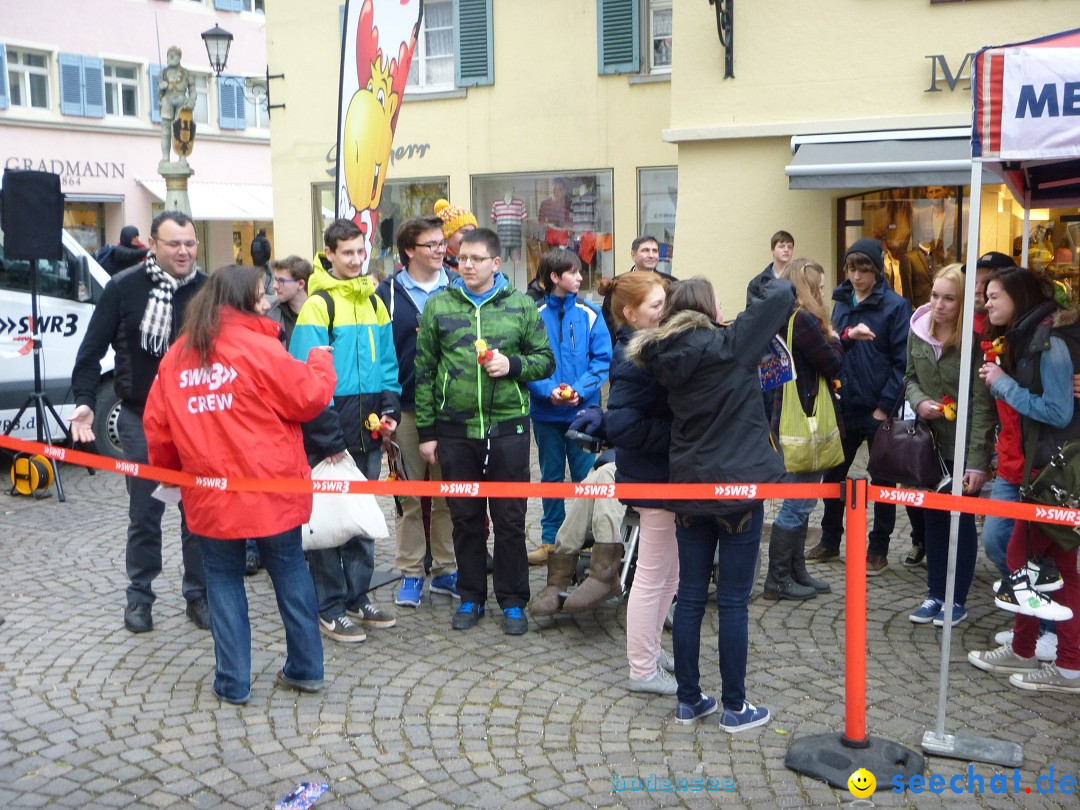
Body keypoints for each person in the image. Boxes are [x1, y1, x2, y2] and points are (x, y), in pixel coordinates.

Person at [143, 264, 335, 704]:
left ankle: (232, 680)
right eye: (261, 295)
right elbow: (308, 397)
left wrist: (172, 477)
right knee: (288, 569)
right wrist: (321, 359)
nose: (267, 301)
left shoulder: (177, 357)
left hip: (209, 490)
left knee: (222, 578)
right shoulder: (259, 349)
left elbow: (158, 426)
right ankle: (306, 668)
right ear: (242, 301)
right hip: (270, 485)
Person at [632, 275, 795, 731]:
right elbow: (781, 294)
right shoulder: (729, 344)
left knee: (688, 600)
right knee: (733, 603)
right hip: (737, 489)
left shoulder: (664, 353)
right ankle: (735, 707)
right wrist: (759, 283)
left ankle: (689, 701)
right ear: (708, 307)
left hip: (688, 485)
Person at [69, 211, 209, 634]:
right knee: (145, 513)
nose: (183, 251)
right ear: (152, 244)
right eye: (174, 244)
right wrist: (85, 402)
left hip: (197, 422)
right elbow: (90, 352)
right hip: (141, 419)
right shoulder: (123, 288)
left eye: (189, 243)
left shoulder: (208, 291)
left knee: (197, 514)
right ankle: (140, 596)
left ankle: (198, 595)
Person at [414, 228, 554, 636]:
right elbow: (423, 373)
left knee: (510, 520)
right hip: (455, 432)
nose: (467, 265)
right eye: (462, 258)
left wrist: (512, 366)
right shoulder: (439, 305)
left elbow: (544, 361)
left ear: (496, 263)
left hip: (508, 428)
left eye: (476, 259)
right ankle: (471, 595)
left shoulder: (522, 306)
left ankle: (513, 601)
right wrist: (427, 432)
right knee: (465, 519)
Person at [968, 267, 1080, 692]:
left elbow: (1056, 412)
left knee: (1024, 558)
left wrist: (1003, 385)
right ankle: (1030, 647)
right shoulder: (1031, 334)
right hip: (1043, 467)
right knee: (1046, 563)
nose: (987, 302)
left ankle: (1062, 661)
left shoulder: (1048, 340)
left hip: (1055, 471)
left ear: (1018, 296)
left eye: (994, 295)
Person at [289, 218, 401, 644]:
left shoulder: (375, 303)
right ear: (329, 254)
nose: (356, 260)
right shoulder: (319, 306)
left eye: (361, 252)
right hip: (330, 433)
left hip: (369, 431)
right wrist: (328, 439)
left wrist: (390, 410)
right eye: (347, 253)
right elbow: (305, 380)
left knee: (360, 518)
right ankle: (329, 606)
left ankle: (358, 596)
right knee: (327, 522)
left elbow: (388, 363)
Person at [806, 238, 911, 574]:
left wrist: (884, 407)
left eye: (863, 269)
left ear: (876, 271)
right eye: (851, 268)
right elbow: (833, 342)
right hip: (844, 403)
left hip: (879, 408)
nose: (855, 276)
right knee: (833, 475)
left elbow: (902, 362)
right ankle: (829, 539)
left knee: (882, 480)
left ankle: (878, 547)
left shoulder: (895, 306)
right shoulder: (840, 300)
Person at [903, 264, 995, 627]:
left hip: (964, 444)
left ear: (962, 303)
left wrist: (976, 461)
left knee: (961, 520)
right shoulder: (918, 330)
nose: (939, 305)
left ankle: (956, 600)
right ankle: (934, 594)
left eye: (949, 298)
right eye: (934, 296)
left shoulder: (974, 339)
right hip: (929, 445)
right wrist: (920, 400)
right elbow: (909, 377)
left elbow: (982, 405)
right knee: (933, 519)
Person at [375, 216, 459, 607]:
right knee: (408, 496)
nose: (441, 249)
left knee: (446, 496)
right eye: (432, 244)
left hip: (448, 409)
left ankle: (446, 570)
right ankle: (410, 572)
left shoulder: (458, 287)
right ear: (409, 250)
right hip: (404, 408)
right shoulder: (387, 293)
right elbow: (378, 353)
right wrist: (384, 409)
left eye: (442, 243)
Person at [602, 270, 679, 694]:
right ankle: (642, 668)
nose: (665, 312)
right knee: (651, 576)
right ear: (631, 313)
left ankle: (650, 650)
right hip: (651, 476)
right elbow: (624, 427)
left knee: (671, 574)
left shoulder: (649, 347)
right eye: (656, 306)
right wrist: (679, 436)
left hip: (663, 474)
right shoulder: (633, 356)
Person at [765, 259, 844, 601]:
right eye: (820, 287)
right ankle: (778, 579)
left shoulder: (781, 318)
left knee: (802, 500)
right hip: (805, 419)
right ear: (808, 287)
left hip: (785, 417)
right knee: (798, 504)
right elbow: (832, 363)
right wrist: (839, 340)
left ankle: (796, 571)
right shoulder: (806, 320)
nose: (823, 293)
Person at [526, 249, 611, 565]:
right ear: (554, 278)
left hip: (582, 415)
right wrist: (549, 392)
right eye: (573, 272)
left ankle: (585, 541)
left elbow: (602, 361)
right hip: (546, 414)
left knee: (585, 478)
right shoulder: (533, 317)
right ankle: (551, 541)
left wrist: (579, 391)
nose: (579, 277)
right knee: (550, 477)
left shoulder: (590, 313)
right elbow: (528, 364)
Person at [600, 236, 676, 340]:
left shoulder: (671, 283)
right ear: (633, 255)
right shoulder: (619, 283)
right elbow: (608, 322)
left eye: (655, 251)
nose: (651, 255)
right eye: (645, 250)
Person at [157, 46, 196, 163]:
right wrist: (161, 88)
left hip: (181, 99)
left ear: (179, 57)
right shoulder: (162, 73)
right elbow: (159, 93)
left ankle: (182, 155)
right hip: (167, 99)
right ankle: (165, 157)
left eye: (174, 54)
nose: (171, 57)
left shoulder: (186, 73)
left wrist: (191, 101)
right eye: (169, 55)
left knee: (182, 129)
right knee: (165, 130)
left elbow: (193, 90)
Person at [266, 255, 312, 347]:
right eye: (275, 280)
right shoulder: (269, 313)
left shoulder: (321, 310)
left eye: (281, 281)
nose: (275, 286)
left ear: (300, 284)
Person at [745, 230, 794, 306]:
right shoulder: (757, 283)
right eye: (781, 246)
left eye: (790, 247)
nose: (786, 250)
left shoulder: (799, 279)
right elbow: (752, 312)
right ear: (772, 250)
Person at [433, 199, 477, 271]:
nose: (471, 237)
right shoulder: (434, 269)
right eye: (465, 232)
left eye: (473, 232)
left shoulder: (480, 262)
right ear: (445, 236)